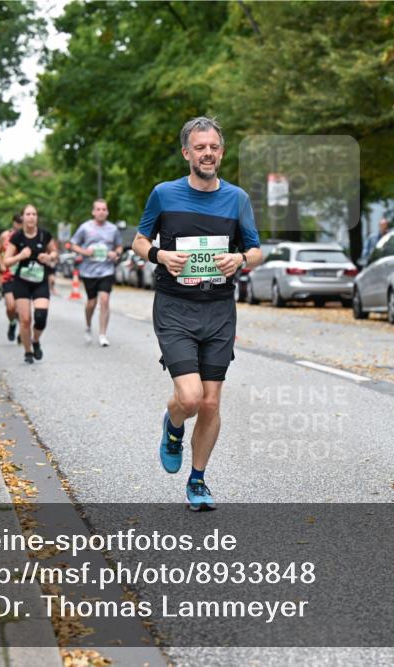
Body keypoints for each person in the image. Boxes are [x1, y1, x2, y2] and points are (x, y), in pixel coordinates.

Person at [131, 116, 262, 511]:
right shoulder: (164, 194)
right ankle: (172, 428)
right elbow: (139, 240)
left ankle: (198, 480)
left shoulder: (237, 198)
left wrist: (239, 258)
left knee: (210, 403)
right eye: (200, 147)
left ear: (221, 152)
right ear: (187, 152)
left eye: (214, 147)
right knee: (188, 399)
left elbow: (257, 250)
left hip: (219, 309)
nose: (208, 153)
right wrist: (159, 254)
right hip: (175, 307)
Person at [2, 204, 58, 364]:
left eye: (34, 214)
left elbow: (55, 253)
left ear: (37, 217)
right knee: (25, 319)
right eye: (28, 214)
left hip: (40, 281)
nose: (31, 217)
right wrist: (20, 256)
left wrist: (49, 257)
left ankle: (36, 340)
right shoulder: (17, 237)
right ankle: (27, 352)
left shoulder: (44, 235)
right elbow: (6, 261)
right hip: (21, 282)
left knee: (41, 317)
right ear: (23, 217)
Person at [70, 199, 123, 346]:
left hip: (106, 270)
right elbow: (73, 244)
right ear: (93, 212)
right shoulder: (85, 228)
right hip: (89, 271)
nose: (101, 212)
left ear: (107, 212)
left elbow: (119, 247)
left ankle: (102, 334)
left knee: (105, 300)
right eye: (98, 209)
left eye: (104, 209)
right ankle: (88, 325)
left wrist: (115, 254)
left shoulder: (113, 229)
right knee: (91, 303)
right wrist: (84, 251)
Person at [0, 214, 23, 342]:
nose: (20, 225)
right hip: (8, 275)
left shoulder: (28, 236)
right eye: (18, 222)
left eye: (22, 222)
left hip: (23, 276)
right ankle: (12, 323)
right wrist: (1, 264)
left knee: (22, 308)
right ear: (13, 222)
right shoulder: (5, 236)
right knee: (11, 307)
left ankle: (22, 333)